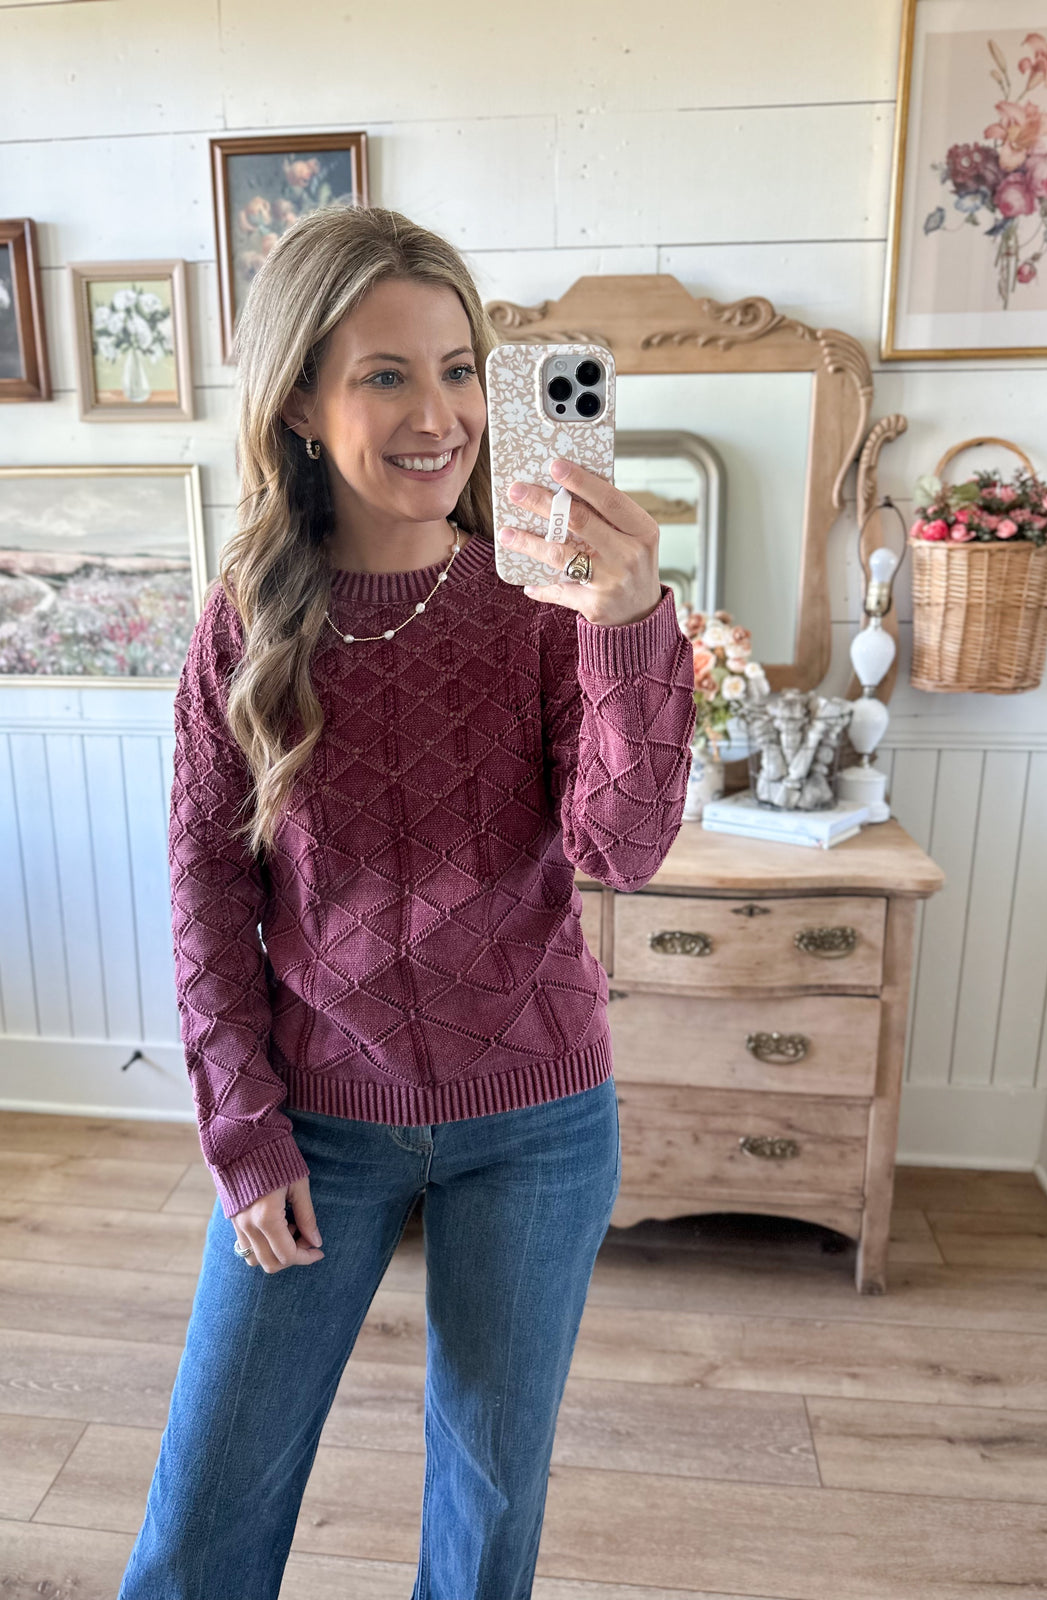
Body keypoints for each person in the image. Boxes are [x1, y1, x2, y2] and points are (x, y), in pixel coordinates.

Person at [118, 203, 696, 1600]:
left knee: (487, 1518)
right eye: (385, 374)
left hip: (538, 1126)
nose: (439, 414)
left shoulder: (551, 601)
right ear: (303, 404)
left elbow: (622, 851)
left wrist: (629, 625)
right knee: (203, 1518)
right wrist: (243, 1133)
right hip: (318, 1122)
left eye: (458, 368)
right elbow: (207, 892)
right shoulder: (245, 622)